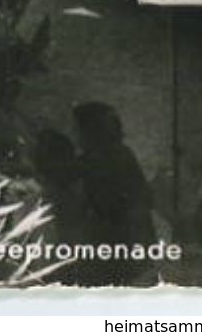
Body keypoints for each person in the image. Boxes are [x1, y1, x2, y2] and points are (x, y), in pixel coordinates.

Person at [73, 101, 157, 283]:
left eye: (77, 129)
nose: (75, 135)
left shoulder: (102, 160)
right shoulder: (121, 155)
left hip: (114, 241)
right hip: (123, 244)